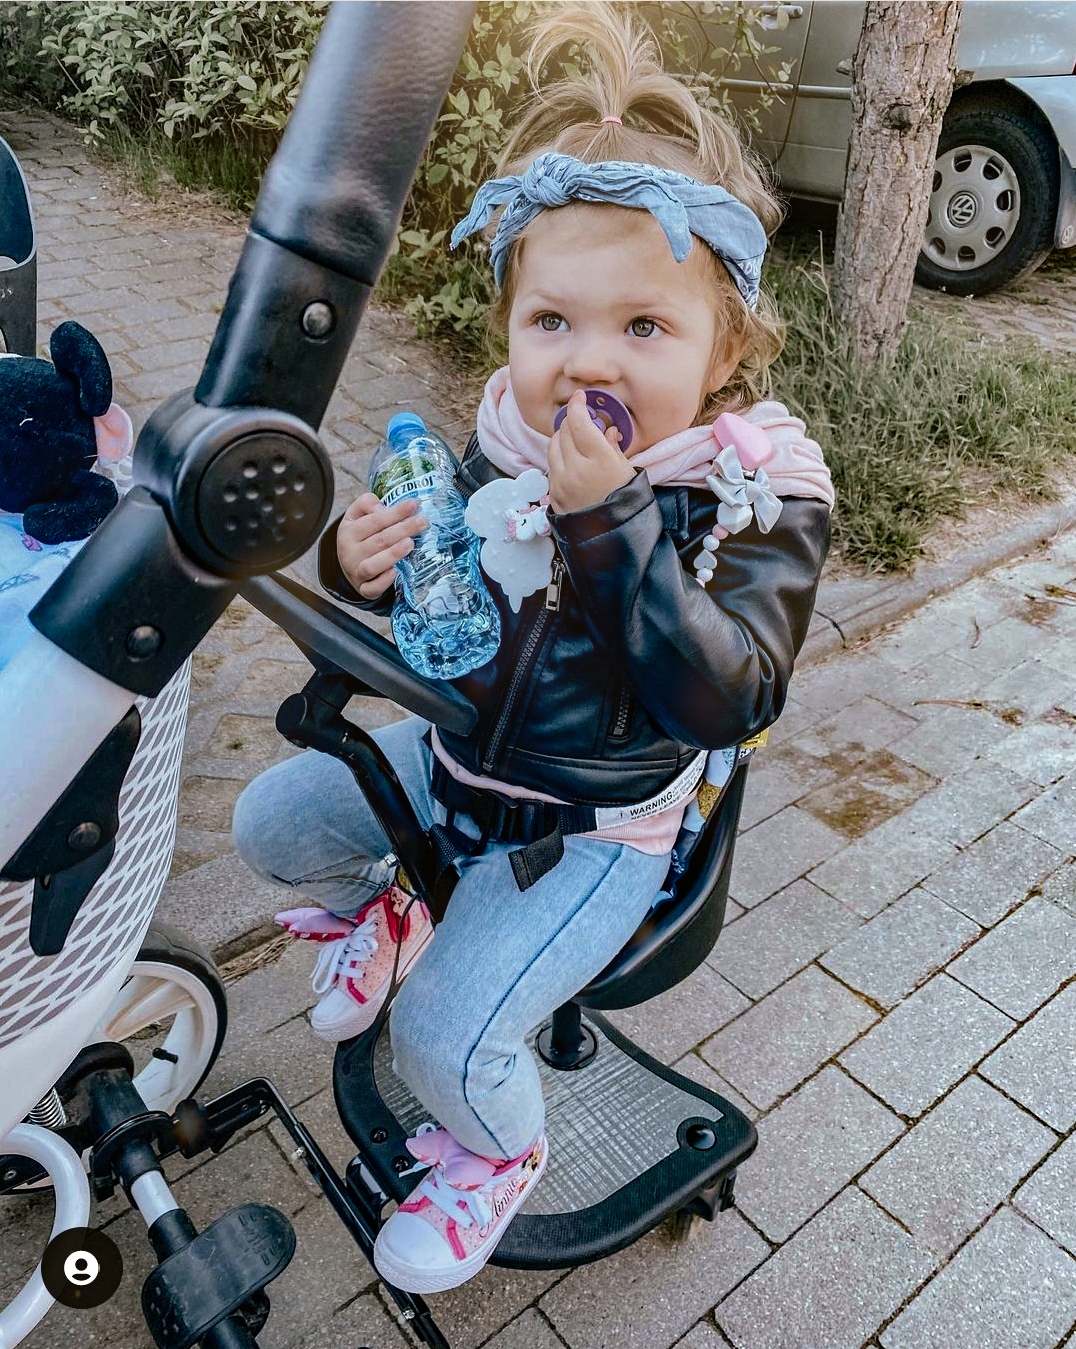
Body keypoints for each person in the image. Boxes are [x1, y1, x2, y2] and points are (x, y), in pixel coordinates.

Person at [232, 3, 833, 1295]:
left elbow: (730, 695)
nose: (583, 364)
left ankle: (496, 1152)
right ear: (510, 319)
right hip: (459, 758)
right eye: (551, 320)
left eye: (644, 328)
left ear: (726, 346)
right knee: (268, 822)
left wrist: (612, 526)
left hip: (597, 825)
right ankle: (396, 902)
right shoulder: (507, 434)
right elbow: (444, 587)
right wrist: (361, 558)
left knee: (443, 1039)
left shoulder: (755, 492)